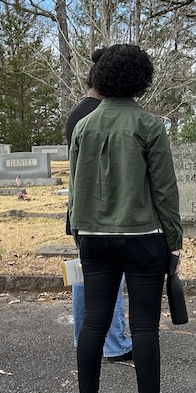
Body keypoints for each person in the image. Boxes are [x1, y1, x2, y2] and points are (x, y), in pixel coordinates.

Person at [68, 43, 186, 393]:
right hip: (142, 238)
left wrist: (78, 233)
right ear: (141, 79)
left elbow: (74, 189)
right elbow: (165, 191)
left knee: (93, 322)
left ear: (100, 78)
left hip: (93, 238)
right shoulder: (150, 125)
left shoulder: (83, 126)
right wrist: (174, 242)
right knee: (144, 325)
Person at [65, 47, 133, 363]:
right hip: (105, 211)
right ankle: (115, 343)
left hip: (82, 211)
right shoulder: (101, 115)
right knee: (112, 278)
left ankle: (85, 338)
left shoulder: (77, 113)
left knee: (84, 277)